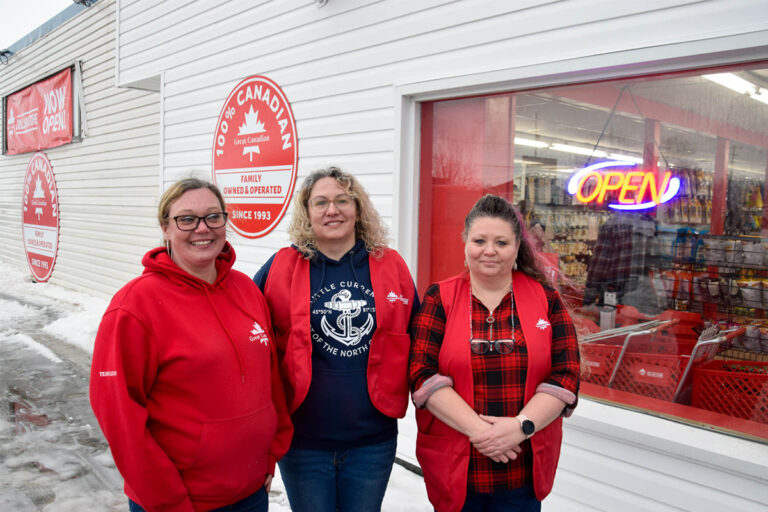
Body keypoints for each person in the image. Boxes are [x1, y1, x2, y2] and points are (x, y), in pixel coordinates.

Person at [90, 178, 292, 512]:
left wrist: (271, 454)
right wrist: (168, 501)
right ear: (165, 228)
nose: (202, 228)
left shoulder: (246, 290)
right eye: (187, 219)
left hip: (251, 492)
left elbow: (270, 381)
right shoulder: (134, 306)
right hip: (180, 501)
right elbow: (119, 415)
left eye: (213, 216)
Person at [253, 166, 418, 512]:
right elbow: (249, 335)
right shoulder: (281, 267)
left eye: (343, 200)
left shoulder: (391, 265)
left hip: (372, 441)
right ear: (307, 211)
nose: (333, 210)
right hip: (303, 442)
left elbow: (419, 338)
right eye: (321, 202)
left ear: (358, 208)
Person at [409, 194, 580, 512]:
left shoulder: (546, 299)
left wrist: (520, 427)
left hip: (522, 471)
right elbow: (421, 374)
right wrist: (483, 434)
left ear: (517, 247)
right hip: (456, 470)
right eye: (479, 241)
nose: (489, 250)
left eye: (501, 242)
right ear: (465, 242)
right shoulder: (439, 298)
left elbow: (566, 375)